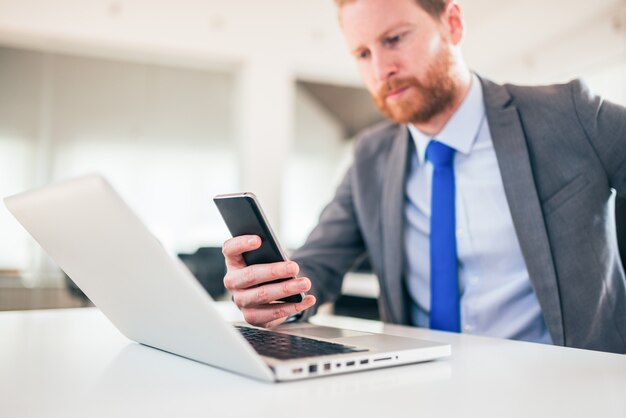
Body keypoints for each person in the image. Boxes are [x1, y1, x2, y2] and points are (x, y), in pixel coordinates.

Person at [221, 0, 626, 353]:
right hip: (423, 390)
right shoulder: (370, 157)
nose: (382, 69)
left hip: (567, 392)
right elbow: (317, 265)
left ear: (452, 23)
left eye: (394, 39)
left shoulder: (569, 116)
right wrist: (272, 293)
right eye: (362, 53)